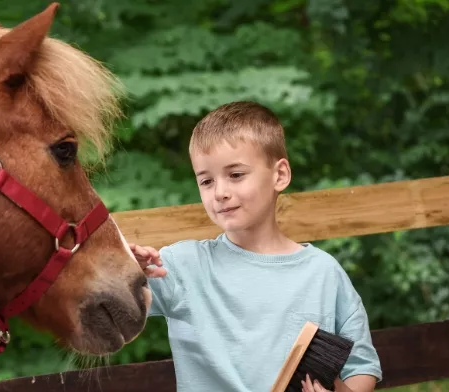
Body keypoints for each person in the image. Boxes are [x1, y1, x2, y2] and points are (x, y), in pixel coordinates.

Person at [129, 101, 382, 392]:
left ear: (280, 175)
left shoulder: (324, 272)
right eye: (207, 181)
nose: (220, 193)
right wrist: (125, 271)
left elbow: (361, 367)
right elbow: (112, 306)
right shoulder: (180, 266)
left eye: (236, 175)